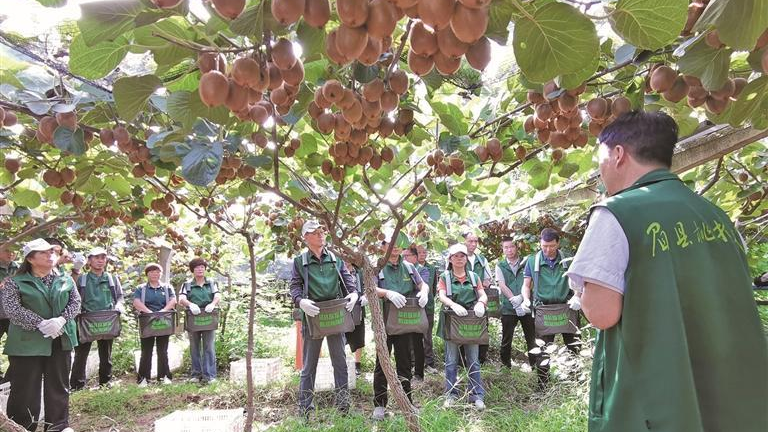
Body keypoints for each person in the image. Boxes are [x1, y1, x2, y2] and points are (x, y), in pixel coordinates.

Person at [566, 110, 768, 431]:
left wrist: (582, 290)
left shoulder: (617, 213)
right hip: (732, 391)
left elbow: (601, 314)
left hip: (658, 400)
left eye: (599, 159)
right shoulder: (717, 217)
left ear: (618, 155)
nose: (599, 171)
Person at [1, 238, 80, 432]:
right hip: (26, 343)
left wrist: (61, 320)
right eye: (43, 253)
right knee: (26, 389)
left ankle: (58, 426)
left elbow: (75, 302)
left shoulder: (65, 279)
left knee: (59, 386)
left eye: (51, 252)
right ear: (30, 259)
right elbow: (12, 310)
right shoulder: (15, 282)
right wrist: (40, 323)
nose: (50, 255)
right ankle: (22, 426)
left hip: (60, 339)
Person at [289, 221, 357, 418]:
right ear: (306, 237)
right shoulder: (300, 261)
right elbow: (294, 286)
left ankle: (344, 407)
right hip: (313, 315)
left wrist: (353, 294)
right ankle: (305, 409)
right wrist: (300, 301)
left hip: (335, 314)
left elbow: (348, 280)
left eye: (321, 232)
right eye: (314, 233)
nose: (320, 235)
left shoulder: (335, 258)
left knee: (340, 361)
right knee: (309, 364)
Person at [372, 236, 429, 421]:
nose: (394, 247)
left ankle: (407, 402)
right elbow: (370, 288)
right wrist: (387, 292)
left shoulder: (409, 267)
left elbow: (421, 283)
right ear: (383, 246)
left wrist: (424, 292)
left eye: (397, 243)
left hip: (404, 322)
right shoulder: (377, 267)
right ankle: (380, 404)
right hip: (383, 323)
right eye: (390, 243)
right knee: (382, 363)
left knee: (404, 363)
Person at [521, 228, 580, 387]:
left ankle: (575, 383)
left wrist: (577, 296)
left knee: (574, 346)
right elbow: (526, 285)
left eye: (552, 246)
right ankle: (543, 385)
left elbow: (576, 281)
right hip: (544, 309)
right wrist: (526, 299)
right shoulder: (532, 261)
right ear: (540, 243)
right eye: (544, 246)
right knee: (542, 349)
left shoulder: (567, 260)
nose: (548, 250)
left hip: (567, 307)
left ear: (558, 244)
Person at [436, 243, 487, 410]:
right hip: (452, 321)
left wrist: (481, 303)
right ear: (450, 259)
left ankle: (476, 394)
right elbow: (441, 295)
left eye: (462, 256)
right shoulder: (445, 277)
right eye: (455, 256)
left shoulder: (473, 277)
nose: (459, 259)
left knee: (473, 360)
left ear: (466, 258)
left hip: (470, 322)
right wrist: (453, 305)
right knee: (451, 360)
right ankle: (451, 394)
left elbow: (482, 293)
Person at [70, 247, 125, 391]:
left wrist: (119, 306)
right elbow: (72, 296)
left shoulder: (112, 278)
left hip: (107, 319)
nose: (100, 261)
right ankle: (77, 385)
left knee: (106, 354)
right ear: (89, 260)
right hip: (86, 319)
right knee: (81, 354)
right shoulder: (82, 278)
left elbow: (119, 296)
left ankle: (105, 383)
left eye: (103, 258)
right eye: (96, 257)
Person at [495, 236, 536, 369]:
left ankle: (535, 366)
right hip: (508, 308)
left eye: (512, 246)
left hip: (526, 304)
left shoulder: (526, 261)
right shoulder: (500, 265)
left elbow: (531, 281)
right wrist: (514, 300)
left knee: (532, 338)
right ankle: (505, 367)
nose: (509, 250)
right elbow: (502, 285)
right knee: (506, 339)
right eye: (506, 247)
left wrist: (522, 298)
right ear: (503, 249)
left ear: (517, 247)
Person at [178, 257, 221, 384]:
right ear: (193, 270)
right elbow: (181, 298)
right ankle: (196, 374)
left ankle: (210, 375)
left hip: (208, 316)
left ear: (205, 269)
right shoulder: (187, 284)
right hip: (193, 317)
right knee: (194, 347)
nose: (200, 269)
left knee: (209, 346)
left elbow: (218, 295)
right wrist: (190, 304)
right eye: (197, 267)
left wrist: (213, 304)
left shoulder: (212, 283)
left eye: (202, 267)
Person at [133, 263, 177, 386]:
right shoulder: (141, 288)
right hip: (147, 322)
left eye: (157, 271)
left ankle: (164, 376)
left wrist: (162, 312)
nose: (154, 274)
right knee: (146, 350)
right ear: (147, 274)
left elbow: (173, 301)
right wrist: (150, 313)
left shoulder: (167, 288)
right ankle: (143, 378)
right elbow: (136, 302)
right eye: (152, 271)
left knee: (163, 350)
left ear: (160, 274)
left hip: (163, 322)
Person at [462, 232, 492, 364]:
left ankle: (481, 359)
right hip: (462, 299)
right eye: (470, 241)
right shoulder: (458, 257)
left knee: (482, 327)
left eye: (475, 241)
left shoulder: (482, 260)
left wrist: (486, 283)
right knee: (462, 329)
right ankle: (462, 360)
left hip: (480, 299)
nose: (473, 244)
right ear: (464, 241)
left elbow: (488, 278)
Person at [402, 245, 425, 382]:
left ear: (415, 258)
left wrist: (423, 293)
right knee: (405, 342)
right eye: (403, 256)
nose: (404, 259)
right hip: (403, 311)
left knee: (417, 342)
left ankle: (419, 373)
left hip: (417, 310)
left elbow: (423, 285)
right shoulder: (401, 269)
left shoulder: (422, 270)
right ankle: (407, 372)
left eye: (407, 256)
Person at [416, 244, 438, 374]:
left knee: (427, 336)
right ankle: (414, 363)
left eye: (425, 252)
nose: (423, 254)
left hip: (428, 306)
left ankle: (429, 363)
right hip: (413, 307)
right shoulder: (411, 267)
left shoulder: (432, 268)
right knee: (414, 336)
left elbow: (433, 288)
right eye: (420, 252)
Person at [0, 242, 19, 382]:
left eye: (13, 250)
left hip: (13, 316)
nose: (10, 253)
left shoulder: (18, 268)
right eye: (7, 250)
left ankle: (10, 379)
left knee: (18, 348)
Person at [343, 260, 366, 376]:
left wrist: (365, 296)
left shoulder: (359, 272)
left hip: (358, 308)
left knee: (358, 337)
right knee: (341, 337)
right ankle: (342, 364)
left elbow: (367, 286)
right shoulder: (338, 269)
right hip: (342, 307)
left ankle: (357, 364)